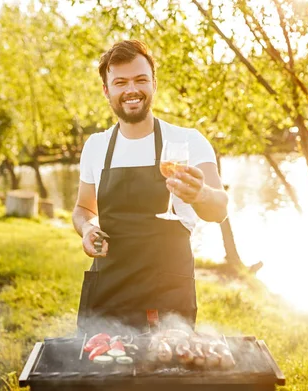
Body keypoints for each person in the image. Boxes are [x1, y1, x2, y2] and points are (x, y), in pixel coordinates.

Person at [72, 40, 228, 335]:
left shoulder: (188, 141)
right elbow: (83, 210)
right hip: (108, 295)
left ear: (153, 83)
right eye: (120, 82)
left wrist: (200, 194)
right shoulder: (96, 147)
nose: (131, 89)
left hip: (168, 296)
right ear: (107, 90)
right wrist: (88, 229)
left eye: (140, 79)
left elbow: (219, 210)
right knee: (102, 377)